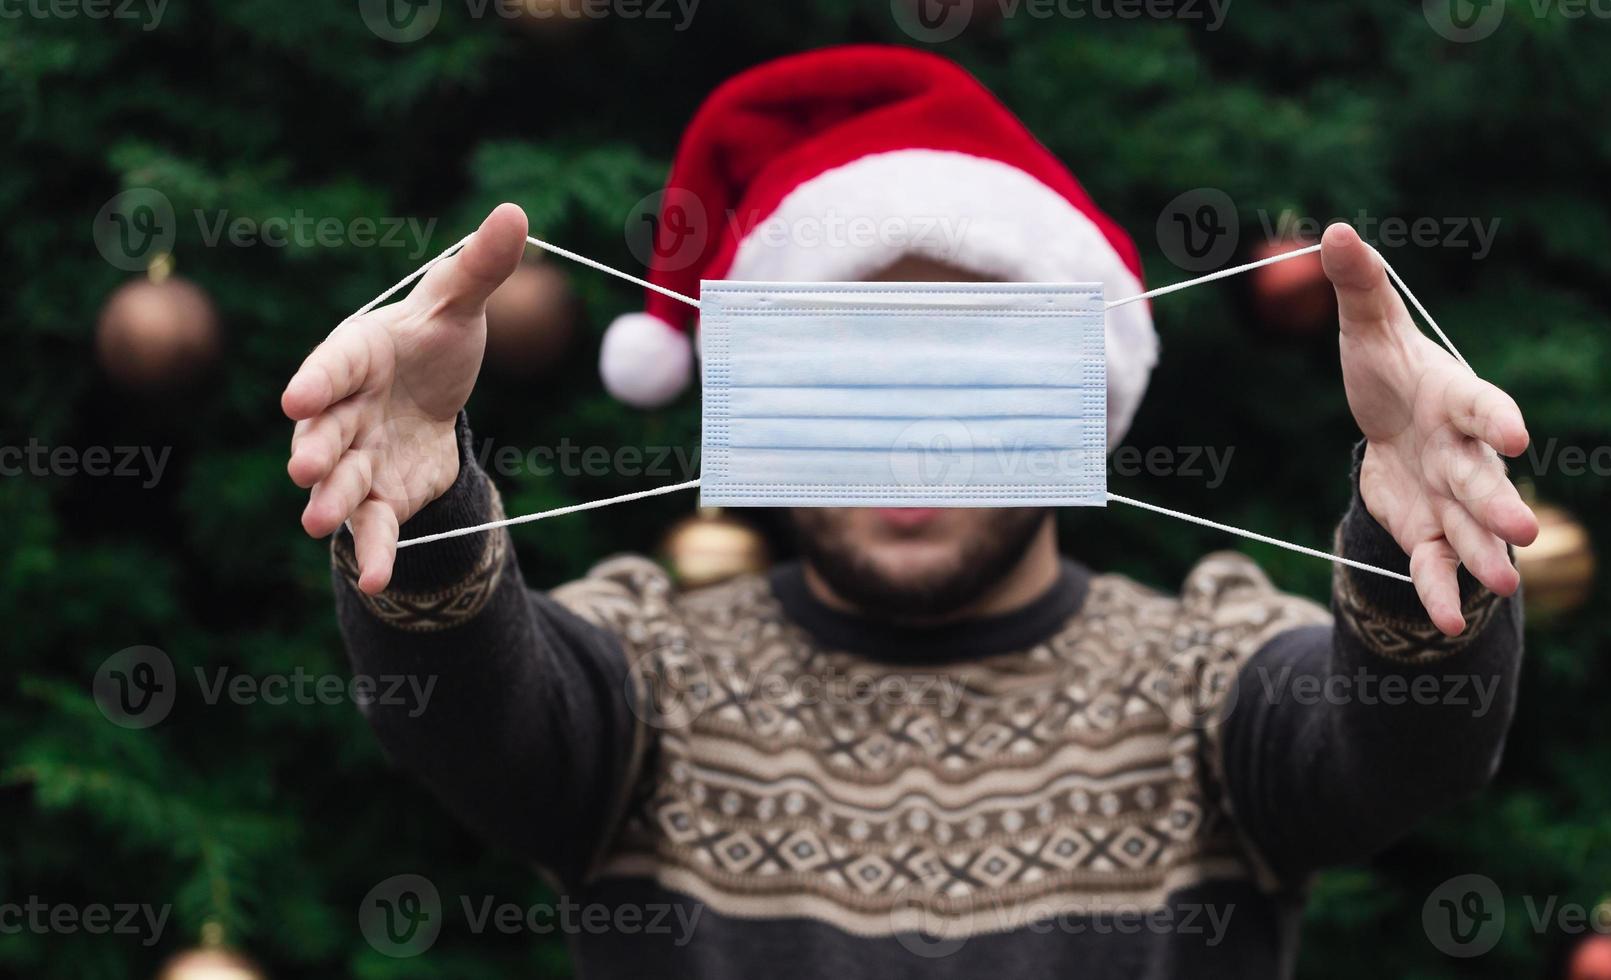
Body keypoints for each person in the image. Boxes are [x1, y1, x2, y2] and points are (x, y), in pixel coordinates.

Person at [283, 46, 1536, 979]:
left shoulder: (1201, 677)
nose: (913, 430)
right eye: (849, 358)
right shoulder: (645, 674)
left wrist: (1409, 551)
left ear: (1075, 391)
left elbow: (1399, 750)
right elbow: (477, 715)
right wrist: (430, 507)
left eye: (969, 359)